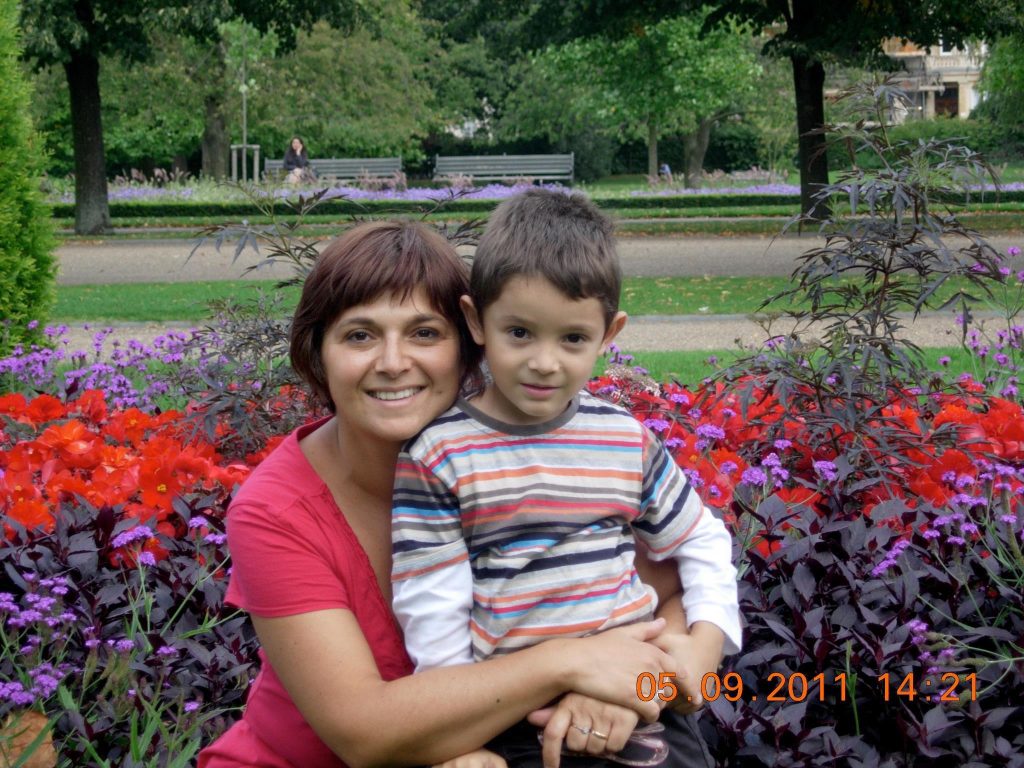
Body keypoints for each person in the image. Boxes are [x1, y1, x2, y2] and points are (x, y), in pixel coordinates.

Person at [197, 220, 689, 768]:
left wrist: (630, 689)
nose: (392, 361)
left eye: (424, 333)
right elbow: (363, 735)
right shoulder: (276, 511)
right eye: (359, 335)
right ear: (318, 352)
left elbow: (674, 592)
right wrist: (567, 664)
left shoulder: (541, 453)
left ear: (470, 342)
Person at [391, 189, 742, 766]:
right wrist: (460, 741)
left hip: (639, 696)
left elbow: (701, 539)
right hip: (518, 717)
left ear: (609, 335)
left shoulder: (625, 439)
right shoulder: (441, 454)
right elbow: (433, 608)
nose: (545, 362)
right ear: (477, 321)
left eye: (573, 338)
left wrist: (704, 648)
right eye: (520, 333)